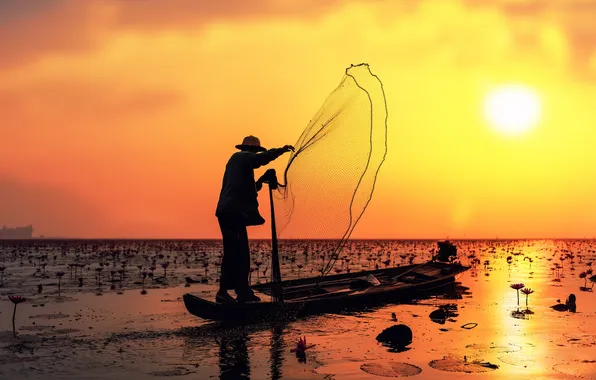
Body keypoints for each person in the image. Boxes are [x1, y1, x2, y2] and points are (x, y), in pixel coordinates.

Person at [215, 135, 294, 304]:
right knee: (233, 252)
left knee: (242, 253)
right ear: (251, 151)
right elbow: (261, 159)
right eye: (255, 151)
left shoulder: (243, 168)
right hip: (230, 213)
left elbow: (249, 191)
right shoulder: (240, 157)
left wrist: (261, 180)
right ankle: (222, 292)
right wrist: (280, 150)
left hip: (235, 213)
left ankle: (242, 291)